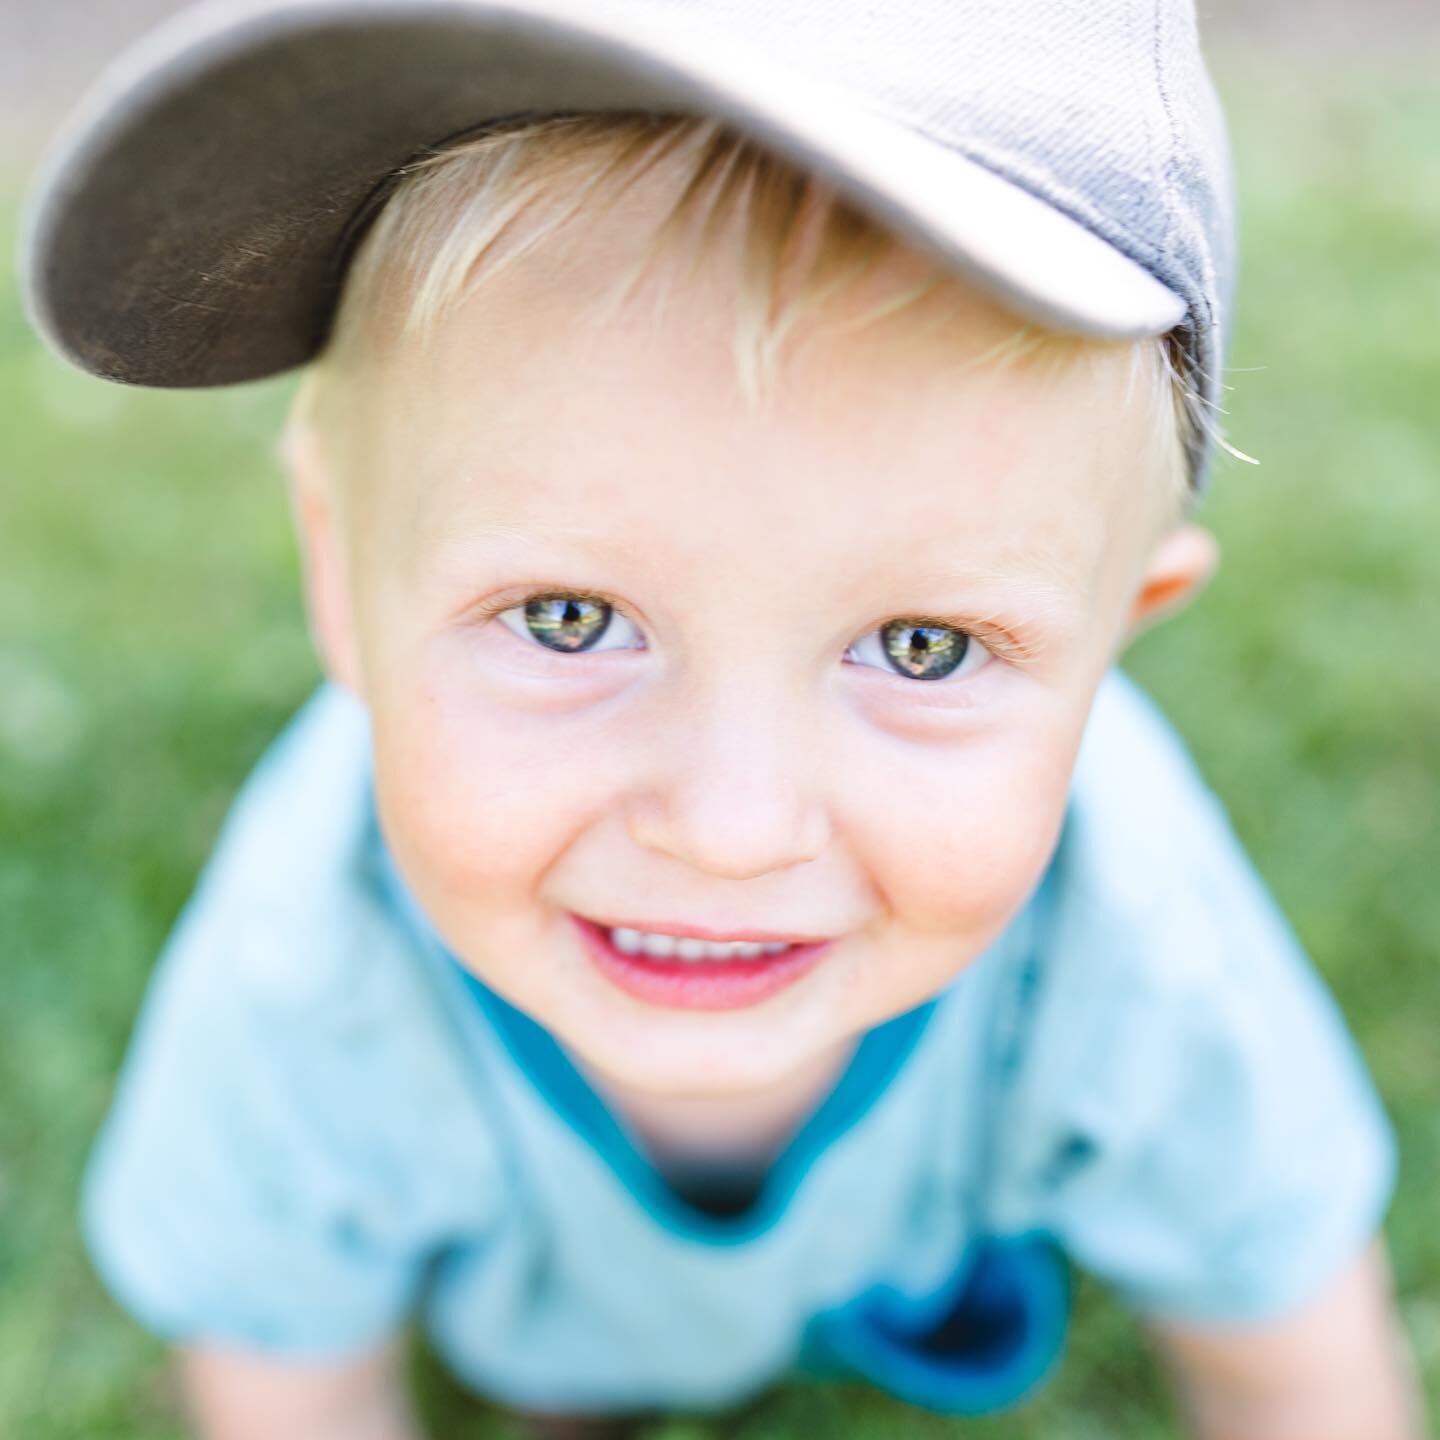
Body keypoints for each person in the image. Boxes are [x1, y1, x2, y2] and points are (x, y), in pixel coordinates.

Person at [19, 1, 1426, 1436]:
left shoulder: (1136, 932)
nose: (731, 828)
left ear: (1113, 646)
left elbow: (1291, 1343)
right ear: (337, 571)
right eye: (569, 619)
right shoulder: (309, 966)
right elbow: (284, 1375)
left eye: (923, 648)